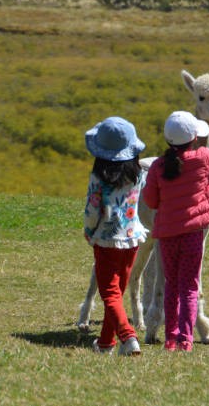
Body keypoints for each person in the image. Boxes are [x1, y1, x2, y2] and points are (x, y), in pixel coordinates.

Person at [143, 111, 209, 352]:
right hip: (192, 235)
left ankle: (170, 338)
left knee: (171, 285)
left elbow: (150, 200)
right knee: (189, 286)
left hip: (167, 236)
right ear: (194, 138)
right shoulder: (203, 158)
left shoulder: (158, 166)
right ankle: (185, 339)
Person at [83, 116, 148, 356]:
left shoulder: (98, 179)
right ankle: (105, 343)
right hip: (132, 238)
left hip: (106, 239)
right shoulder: (137, 175)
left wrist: (89, 231)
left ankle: (127, 336)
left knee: (109, 294)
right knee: (117, 293)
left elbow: (93, 210)